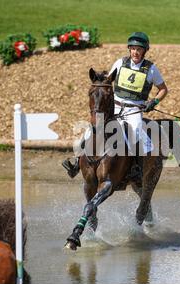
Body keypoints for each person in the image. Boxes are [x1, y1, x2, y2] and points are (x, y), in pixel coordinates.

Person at [62, 32, 168, 178]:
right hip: (115, 107)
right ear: (129, 49)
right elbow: (108, 81)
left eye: (139, 49)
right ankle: (76, 162)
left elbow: (163, 89)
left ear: (144, 51)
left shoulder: (151, 69)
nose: (135, 52)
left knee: (136, 133)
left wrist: (154, 101)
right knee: (91, 130)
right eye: (133, 49)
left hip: (134, 110)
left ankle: (136, 168)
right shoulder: (120, 63)